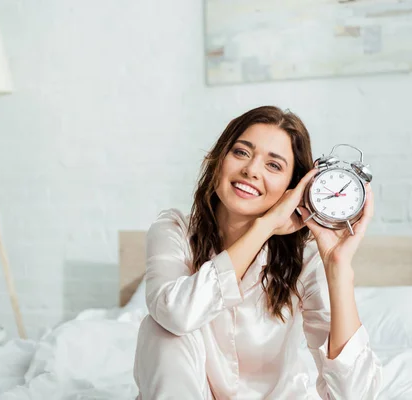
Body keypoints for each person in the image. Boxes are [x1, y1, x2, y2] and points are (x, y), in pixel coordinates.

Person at [133, 106, 382, 399]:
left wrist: (338, 267)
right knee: (162, 327)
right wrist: (263, 227)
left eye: (274, 166)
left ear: (293, 187)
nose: (251, 170)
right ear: (218, 159)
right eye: (241, 152)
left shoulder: (305, 257)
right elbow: (177, 315)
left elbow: (355, 395)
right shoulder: (174, 229)